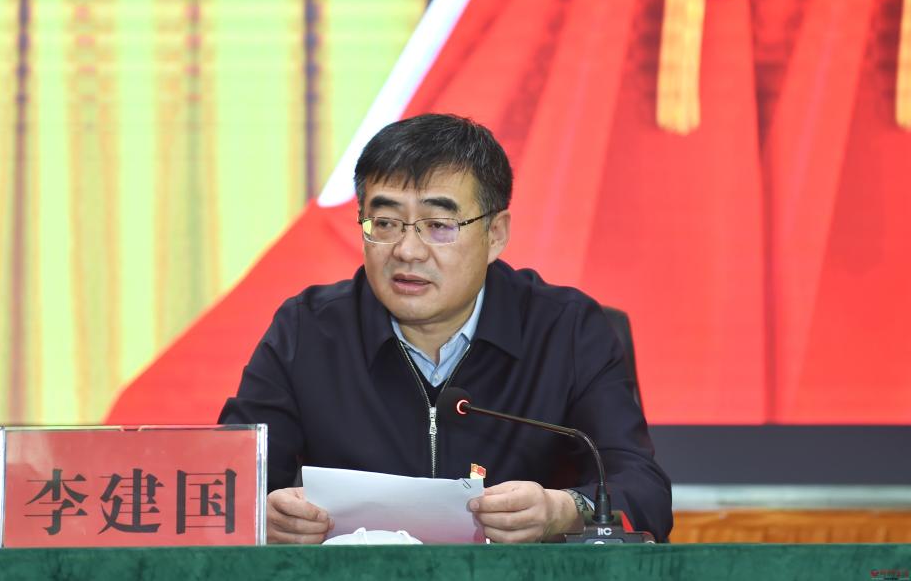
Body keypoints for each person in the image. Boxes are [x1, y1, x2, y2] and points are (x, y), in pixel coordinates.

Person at [219, 113, 672, 543]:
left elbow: (643, 490)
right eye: (385, 223)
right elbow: (224, 487)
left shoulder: (567, 330)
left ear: (495, 234)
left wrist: (565, 511)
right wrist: (263, 515)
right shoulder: (308, 330)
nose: (407, 250)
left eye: (438, 225)